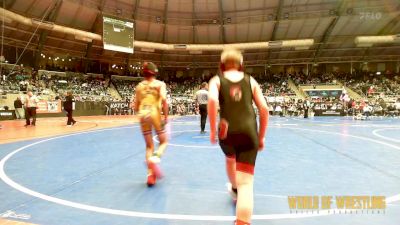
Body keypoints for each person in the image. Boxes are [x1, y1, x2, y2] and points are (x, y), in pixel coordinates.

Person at [208, 48, 269, 225]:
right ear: (241, 65)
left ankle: (234, 188)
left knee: (230, 159)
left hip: (226, 132)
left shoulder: (216, 80)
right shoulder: (251, 81)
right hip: (249, 133)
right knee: (246, 184)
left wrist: (212, 130)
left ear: (222, 65)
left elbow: (212, 101)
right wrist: (262, 137)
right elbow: (264, 110)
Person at [133, 62, 169, 187]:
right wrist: (166, 117)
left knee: (149, 146)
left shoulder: (139, 86)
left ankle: (150, 175)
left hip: (143, 113)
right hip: (155, 113)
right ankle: (155, 158)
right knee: (164, 141)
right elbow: (164, 101)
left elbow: (135, 106)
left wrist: (142, 116)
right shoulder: (160, 84)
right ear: (155, 72)